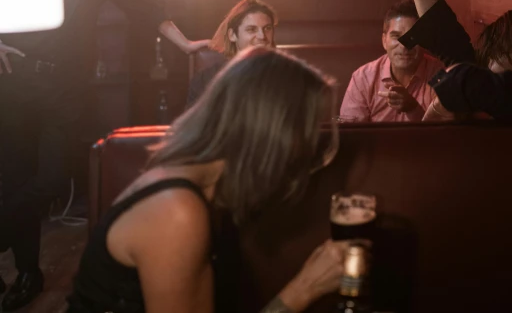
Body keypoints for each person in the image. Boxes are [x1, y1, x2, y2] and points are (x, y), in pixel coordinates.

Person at [0, 0, 208, 311]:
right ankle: (28, 272)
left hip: (67, 86)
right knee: (13, 178)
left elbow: (142, 6)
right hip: (14, 81)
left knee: (52, 179)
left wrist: (185, 44)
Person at [68, 47, 348, 313]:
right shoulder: (177, 212)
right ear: (272, 136)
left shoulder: (198, 182)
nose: (307, 150)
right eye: (306, 133)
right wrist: (305, 289)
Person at [340, 0, 443, 122]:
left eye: (413, 37)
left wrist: (413, 109)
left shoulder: (442, 75)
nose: (405, 46)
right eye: (396, 36)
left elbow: (445, 134)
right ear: (384, 41)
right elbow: (351, 132)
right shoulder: (363, 78)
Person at [187, 0, 277, 105]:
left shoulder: (287, 77)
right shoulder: (206, 80)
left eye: (267, 28)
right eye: (251, 30)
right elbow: (196, 121)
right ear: (232, 35)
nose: (262, 36)